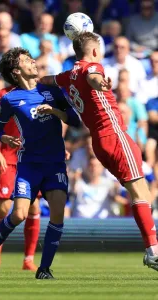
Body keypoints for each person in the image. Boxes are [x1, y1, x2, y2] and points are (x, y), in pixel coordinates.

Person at [40, 31, 158, 271]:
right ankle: (152, 250)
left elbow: (49, 80)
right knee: (140, 193)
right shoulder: (92, 66)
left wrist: (36, 80)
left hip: (99, 141)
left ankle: (153, 247)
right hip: (114, 134)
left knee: (142, 192)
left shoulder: (69, 74)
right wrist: (100, 83)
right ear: (95, 51)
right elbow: (93, 76)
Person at [0, 47, 80, 280]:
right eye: (26, 60)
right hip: (29, 164)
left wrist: (54, 111)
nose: (33, 62)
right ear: (16, 71)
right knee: (19, 214)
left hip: (54, 163)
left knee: (58, 212)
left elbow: (74, 120)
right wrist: (4, 138)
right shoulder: (10, 99)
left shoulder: (51, 91)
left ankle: (44, 269)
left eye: (31, 58)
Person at [0, 86, 40, 272]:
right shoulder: (3, 94)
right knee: (3, 208)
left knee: (33, 206)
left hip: (31, 157)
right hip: (9, 157)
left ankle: (28, 260)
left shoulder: (40, 92)